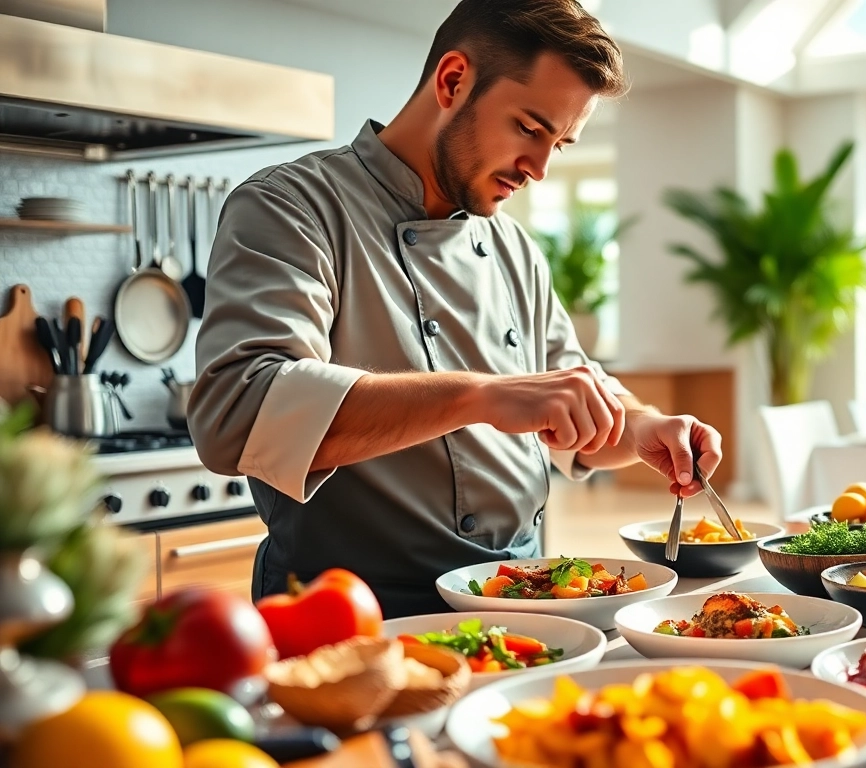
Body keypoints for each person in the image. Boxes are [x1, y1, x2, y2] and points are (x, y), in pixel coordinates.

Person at [188, 0, 722, 618]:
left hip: (524, 603)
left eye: (561, 144)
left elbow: (574, 404)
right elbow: (239, 412)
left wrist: (646, 428)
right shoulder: (291, 209)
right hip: (352, 612)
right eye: (529, 127)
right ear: (452, 80)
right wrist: (482, 396)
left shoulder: (514, 248)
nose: (541, 168)